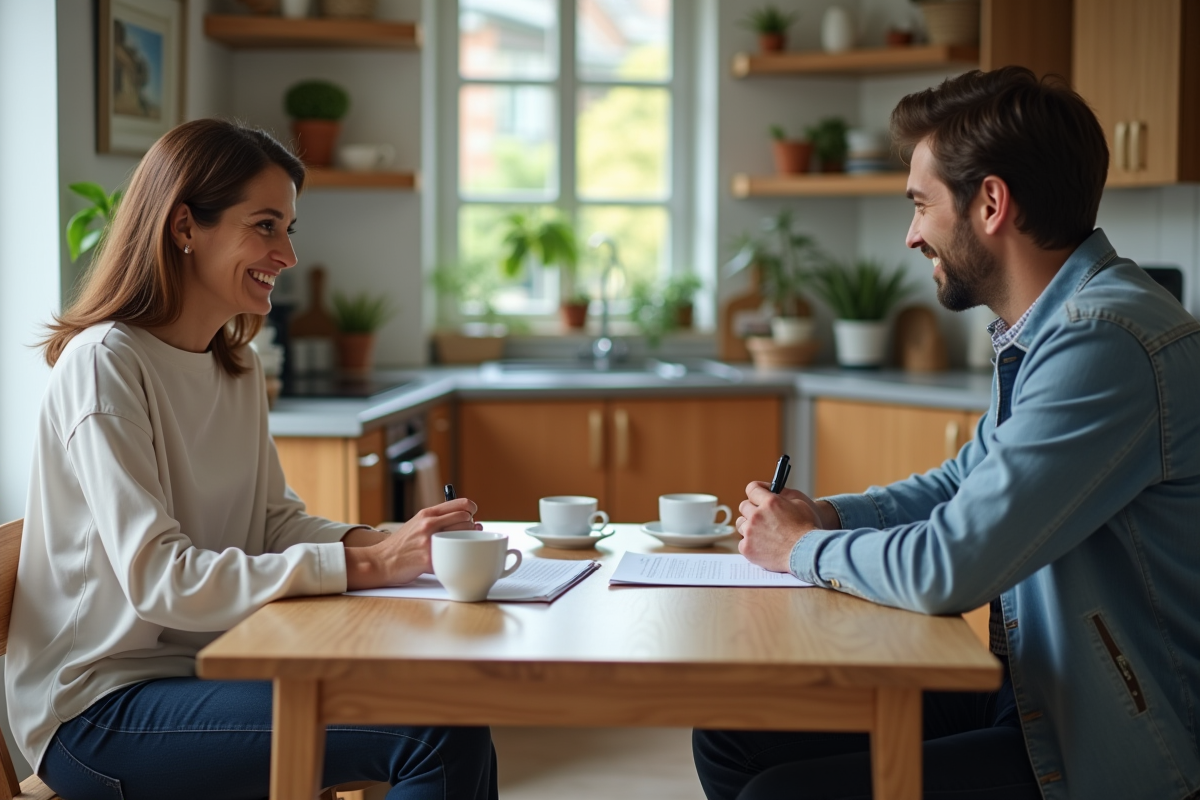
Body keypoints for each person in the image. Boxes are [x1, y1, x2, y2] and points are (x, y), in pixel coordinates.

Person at [695, 66, 1200, 800]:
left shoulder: (1104, 341)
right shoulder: (1055, 327)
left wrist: (799, 548)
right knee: (732, 728)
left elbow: (949, 568)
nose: (911, 236)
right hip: (1037, 685)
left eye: (920, 204)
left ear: (991, 203)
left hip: (1113, 738)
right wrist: (828, 516)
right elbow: (964, 482)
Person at [5, 118, 498, 800]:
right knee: (435, 732)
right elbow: (160, 579)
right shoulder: (105, 365)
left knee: (449, 703)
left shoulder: (234, 366)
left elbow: (273, 523)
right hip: (97, 710)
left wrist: (396, 544)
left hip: (209, 669)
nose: (287, 255)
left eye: (288, 229)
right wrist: (373, 564)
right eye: (265, 226)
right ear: (185, 226)